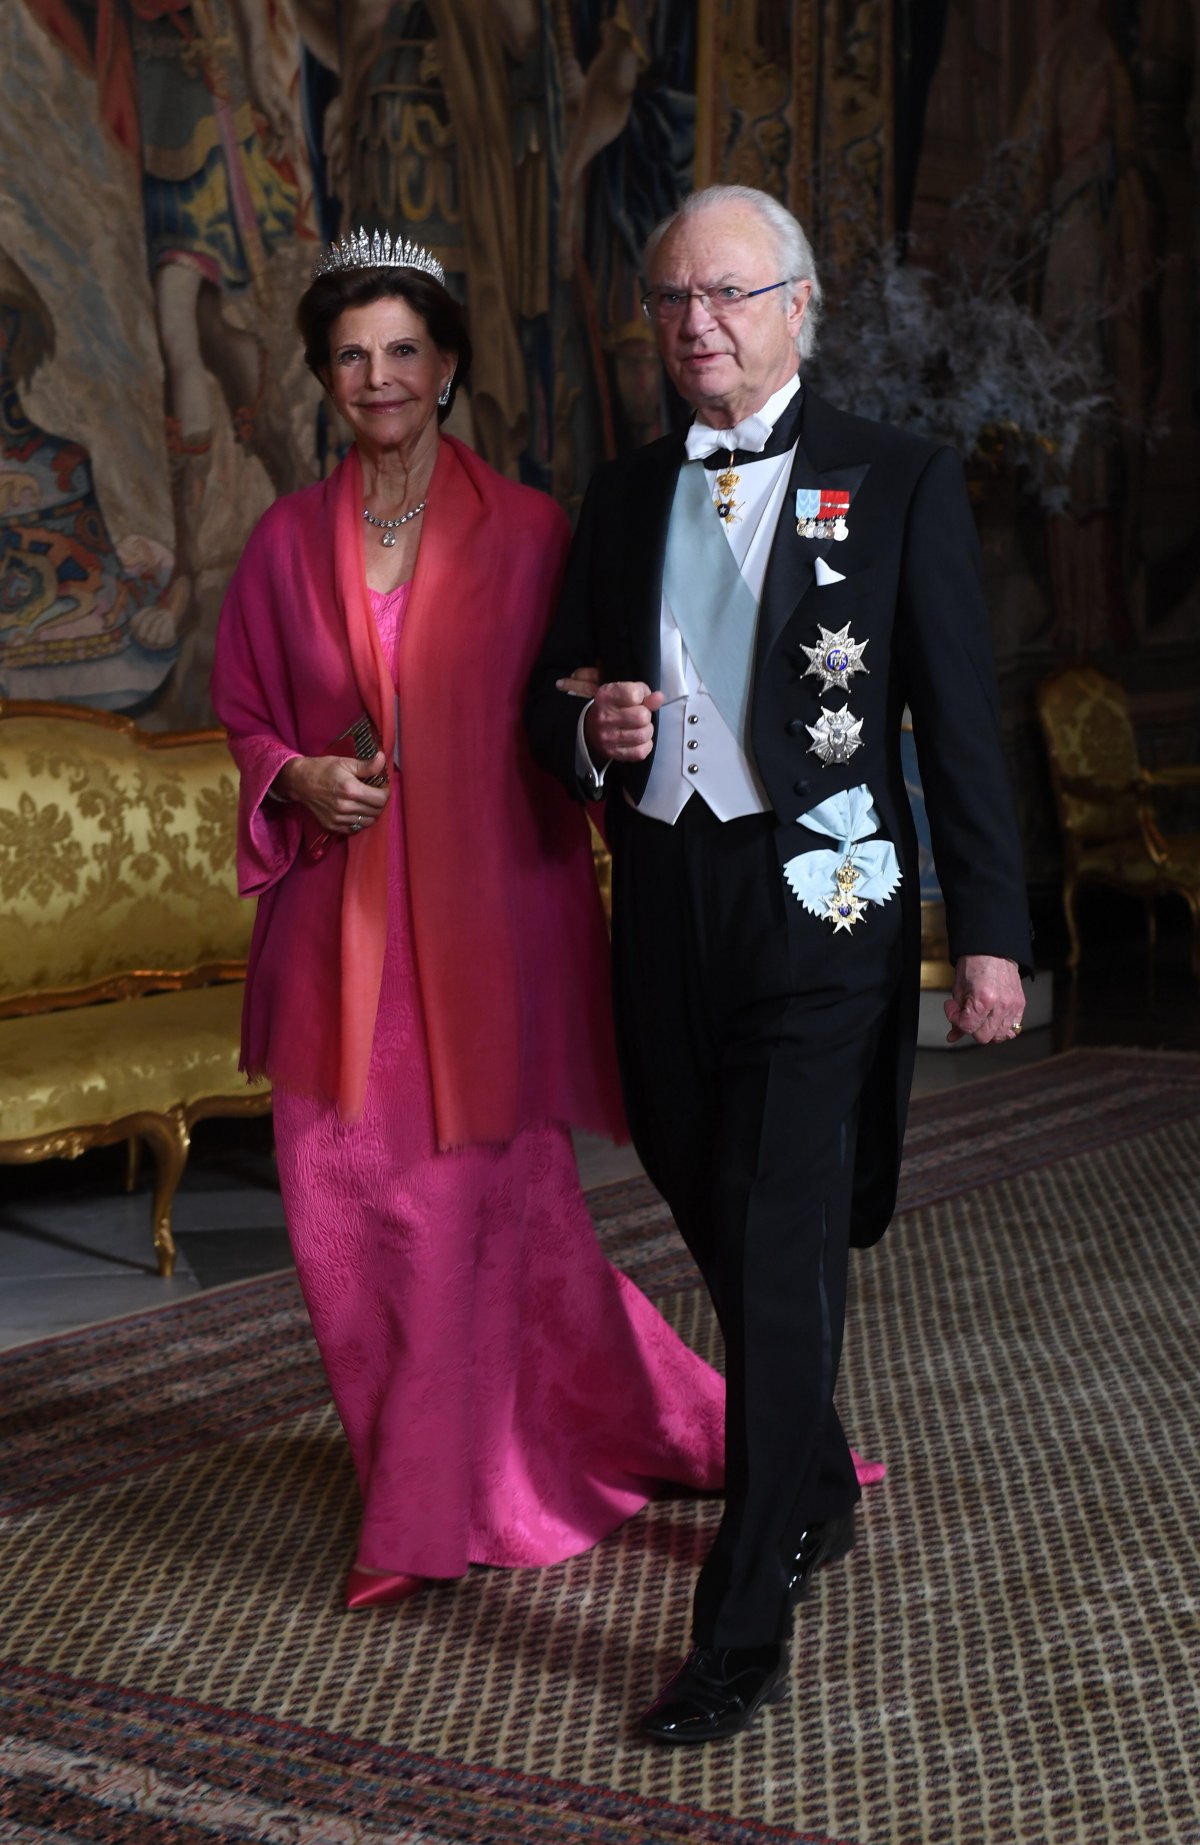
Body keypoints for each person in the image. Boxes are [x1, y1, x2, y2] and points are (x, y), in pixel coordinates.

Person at [526, 184, 1032, 1745]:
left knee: (780, 1231)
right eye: (675, 301)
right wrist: (591, 731)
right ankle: (810, 1467)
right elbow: (557, 703)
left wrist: (994, 933)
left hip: (827, 909)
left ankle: (744, 1620)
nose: (700, 326)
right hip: (671, 900)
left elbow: (957, 718)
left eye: (731, 296)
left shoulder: (897, 479)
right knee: (700, 1179)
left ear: (798, 307)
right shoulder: (618, 495)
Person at [210, 228, 741, 1608]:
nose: (377, 377)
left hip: (488, 931)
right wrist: (297, 776)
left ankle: (432, 1514)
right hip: (339, 938)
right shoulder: (281, 541)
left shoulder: (530, 533)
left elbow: (574, 710)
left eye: (402, 351)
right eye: (349, 356)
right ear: (326, 378)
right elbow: (250, 713)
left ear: (445, 367)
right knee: (337, 1214)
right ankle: (444, 1458)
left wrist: (603, 725)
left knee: (459, 1219)